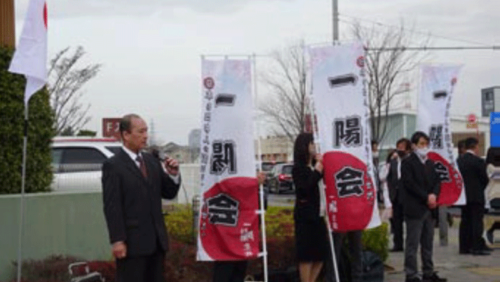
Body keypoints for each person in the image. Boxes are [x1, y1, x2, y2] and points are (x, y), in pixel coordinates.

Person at [102, 114, 181, 282]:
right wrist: (117, 240)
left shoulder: (151, 161)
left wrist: (173, 175)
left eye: (147, 131)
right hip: (132, 245)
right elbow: (112, 206)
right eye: (141, 131)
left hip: (156, 243)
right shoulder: (113, 166)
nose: (146, 136)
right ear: (126, 135)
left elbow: (168, 193)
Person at [401, 131, 446, 282]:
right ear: (413, 146)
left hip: (429, 209)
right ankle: (411, 274)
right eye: (421, 144)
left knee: (428, 243)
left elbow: (437, 181)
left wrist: (434, 195)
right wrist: (425, 196)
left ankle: (428, 271)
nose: (424, 147)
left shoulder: (430, 162)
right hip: (415, 208)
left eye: (426, 144)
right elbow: (409, 184)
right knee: (412, 244)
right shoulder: (408, 162)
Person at [212, 172, 267, 282]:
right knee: (224, 272)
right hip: (225, 231)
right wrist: (251, 184)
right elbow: (229, 188)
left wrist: (257, 187)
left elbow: (261, 206)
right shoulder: (222, 174)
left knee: (239, 272)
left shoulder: (248, 172)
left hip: (243, 232)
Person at [292, 133, 328, 282]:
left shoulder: (314, 166)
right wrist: (317, 171)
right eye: (311, 143)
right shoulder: (298, 168)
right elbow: (303, 189)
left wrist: (319, 168)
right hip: (305, 217)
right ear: (304, 146)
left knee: (321, 255)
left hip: (319, 215)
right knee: (306, 256)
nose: (314, 146)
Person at [457, 138, 490, 256]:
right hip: (476, 195)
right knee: (476, 221)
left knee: (465, 221)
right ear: (475, 147)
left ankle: (464, 247)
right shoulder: (478, 161)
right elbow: (485, 179)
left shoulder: (459, 161)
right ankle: (476, 247)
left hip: (463, 196)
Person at [387, 138, 412, 252]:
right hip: (396, 195)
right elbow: (389, 177)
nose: (400, 148)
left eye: (403, 146)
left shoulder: (411, 161)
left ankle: (411, 244)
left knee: (410, 221)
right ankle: (398, 244)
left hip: (407, 195)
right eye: (399, 146)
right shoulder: (393, 161)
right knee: (396, 221)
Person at [484, 147, 500, 246]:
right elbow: (495, 174)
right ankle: (490, 230)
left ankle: (492, 229)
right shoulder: (489, 167)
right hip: (494, 196)